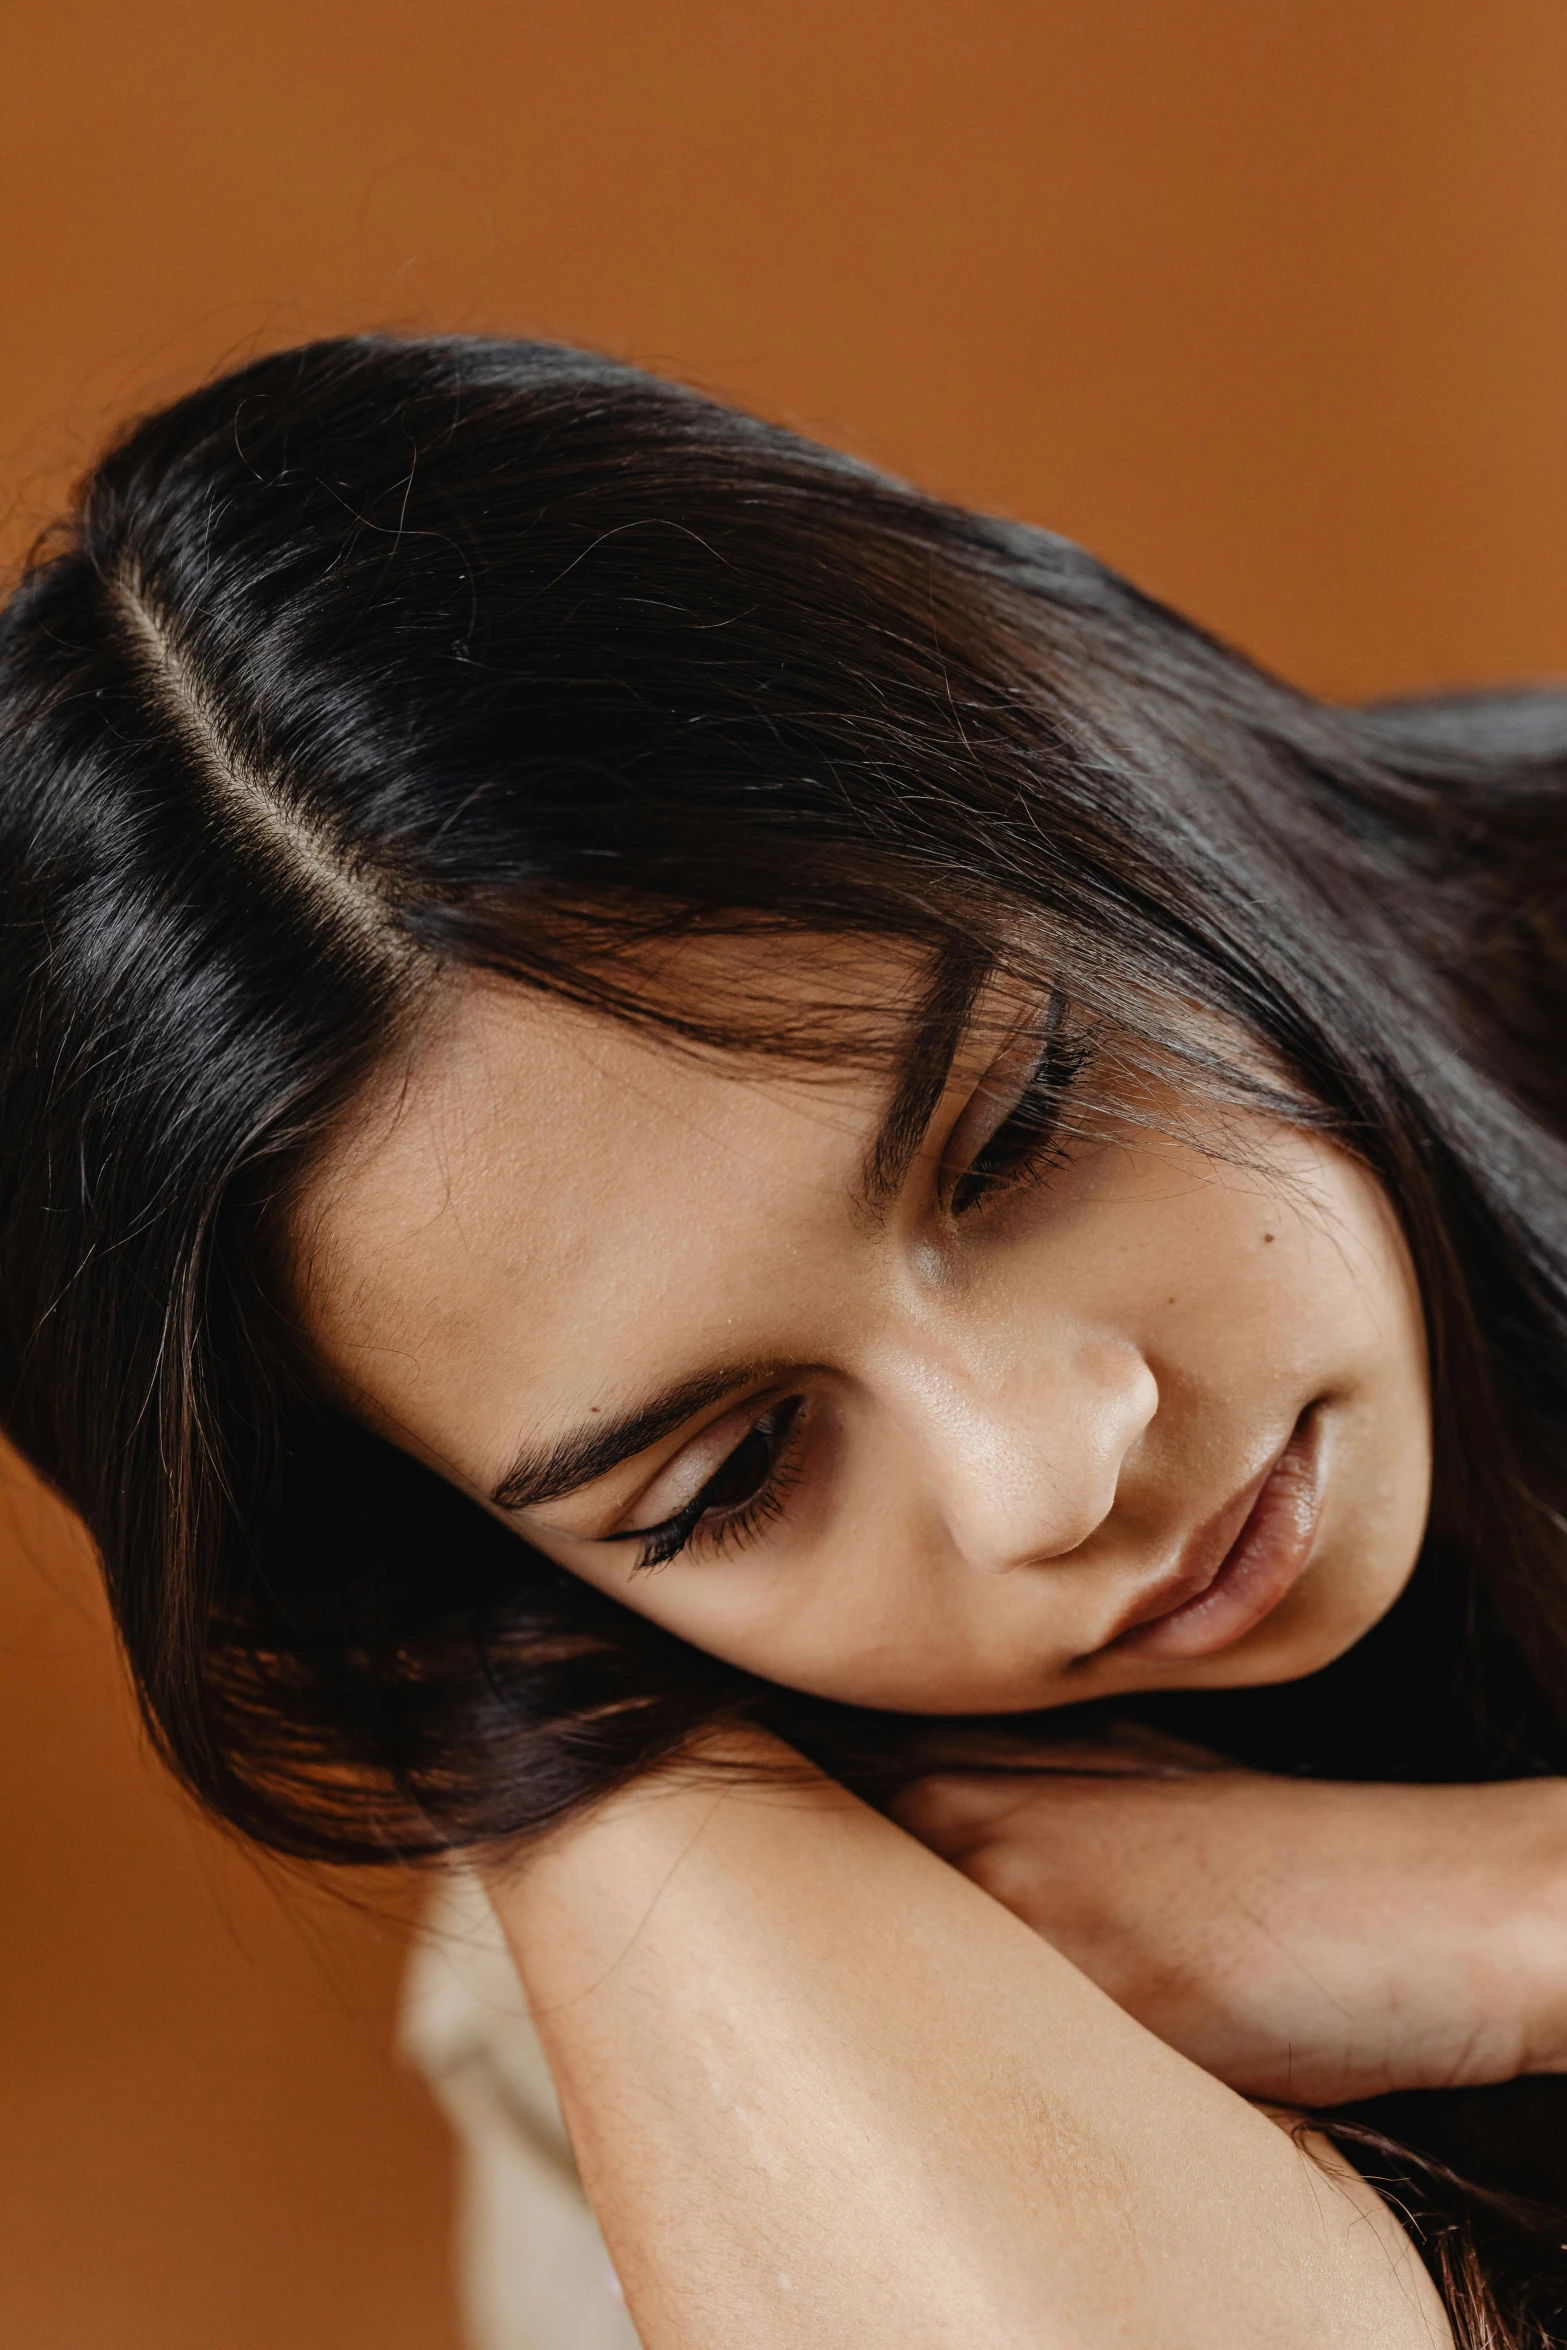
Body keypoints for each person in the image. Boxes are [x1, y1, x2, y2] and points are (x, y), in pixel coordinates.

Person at [3, 332, 1567, 2347]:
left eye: (1015, 1133)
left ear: (1110, 778)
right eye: (732, 1471)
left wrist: (1501, 1909)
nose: (1048, 1466)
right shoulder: (713, 1968)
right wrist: (547, 1763)